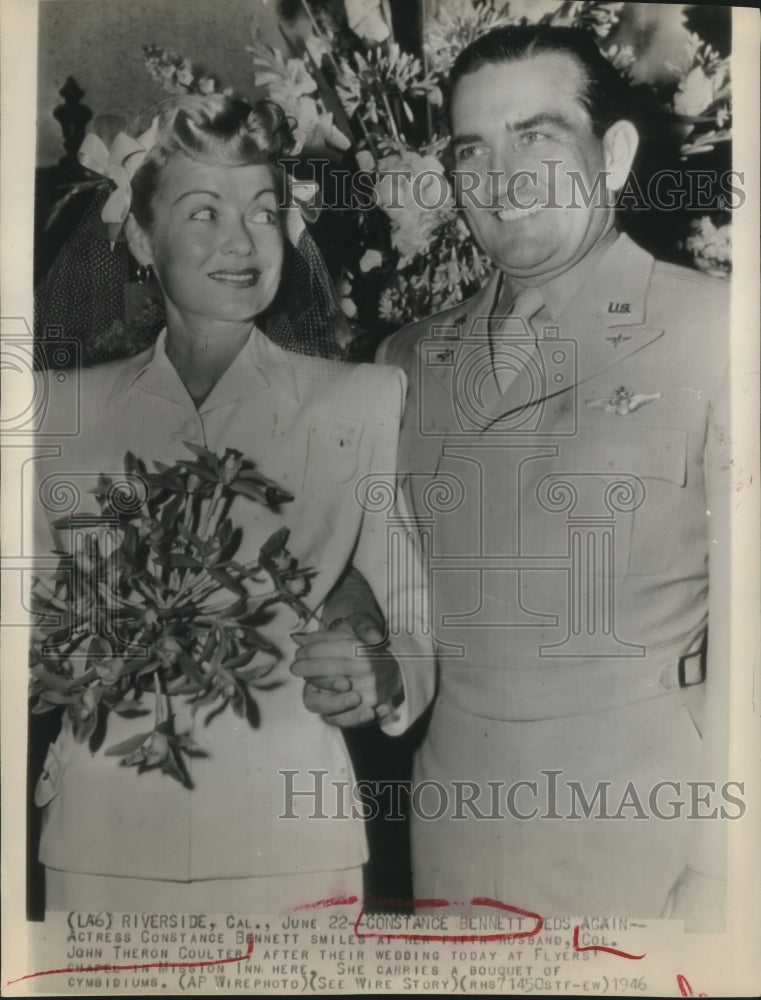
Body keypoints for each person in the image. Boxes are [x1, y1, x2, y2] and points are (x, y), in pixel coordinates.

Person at [293, 25, 731, 927]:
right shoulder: (407, 357)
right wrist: (369, 645)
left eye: (536, 136)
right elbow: (393, 581)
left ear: (611, 156)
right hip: (454, 837)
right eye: (472, 152)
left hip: (651, 853)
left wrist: (725, 880)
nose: (503, 178)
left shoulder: (721, 332)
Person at [31, 93, 433, 913]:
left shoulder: (360, 401)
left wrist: (385, 673)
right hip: (103, 835)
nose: (242, 242)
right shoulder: (50, 415)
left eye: (262, 210)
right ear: (142, 236)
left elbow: (412, 619)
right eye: (204, 212)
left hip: (292, 840)